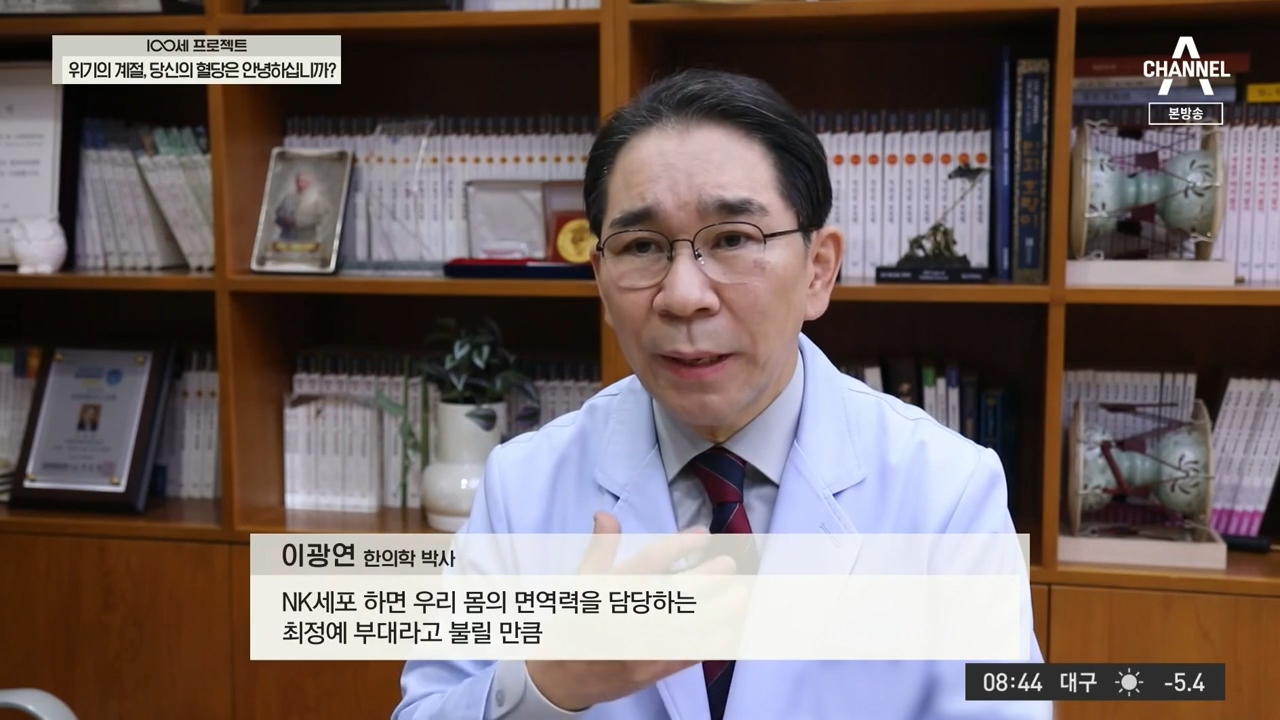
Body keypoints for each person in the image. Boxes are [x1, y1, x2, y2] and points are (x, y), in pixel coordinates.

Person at [393, 68, 1050, 720]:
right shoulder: (522, 485)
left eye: (733, 239)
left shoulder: (947, 492)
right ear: (601, 284)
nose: (683, 296)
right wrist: (548, 683)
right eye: (641, 246)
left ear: (818, 270)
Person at [273, 170, 331, 244]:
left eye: (303, 181)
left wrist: (297, 221)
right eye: (299, 181)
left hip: (307, 239)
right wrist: (285, 220)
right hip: (287, 238)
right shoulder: (287, 198)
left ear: (308, 183)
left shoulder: (317, 199)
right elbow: (278, 216)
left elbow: (320, 218)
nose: (301, 184)